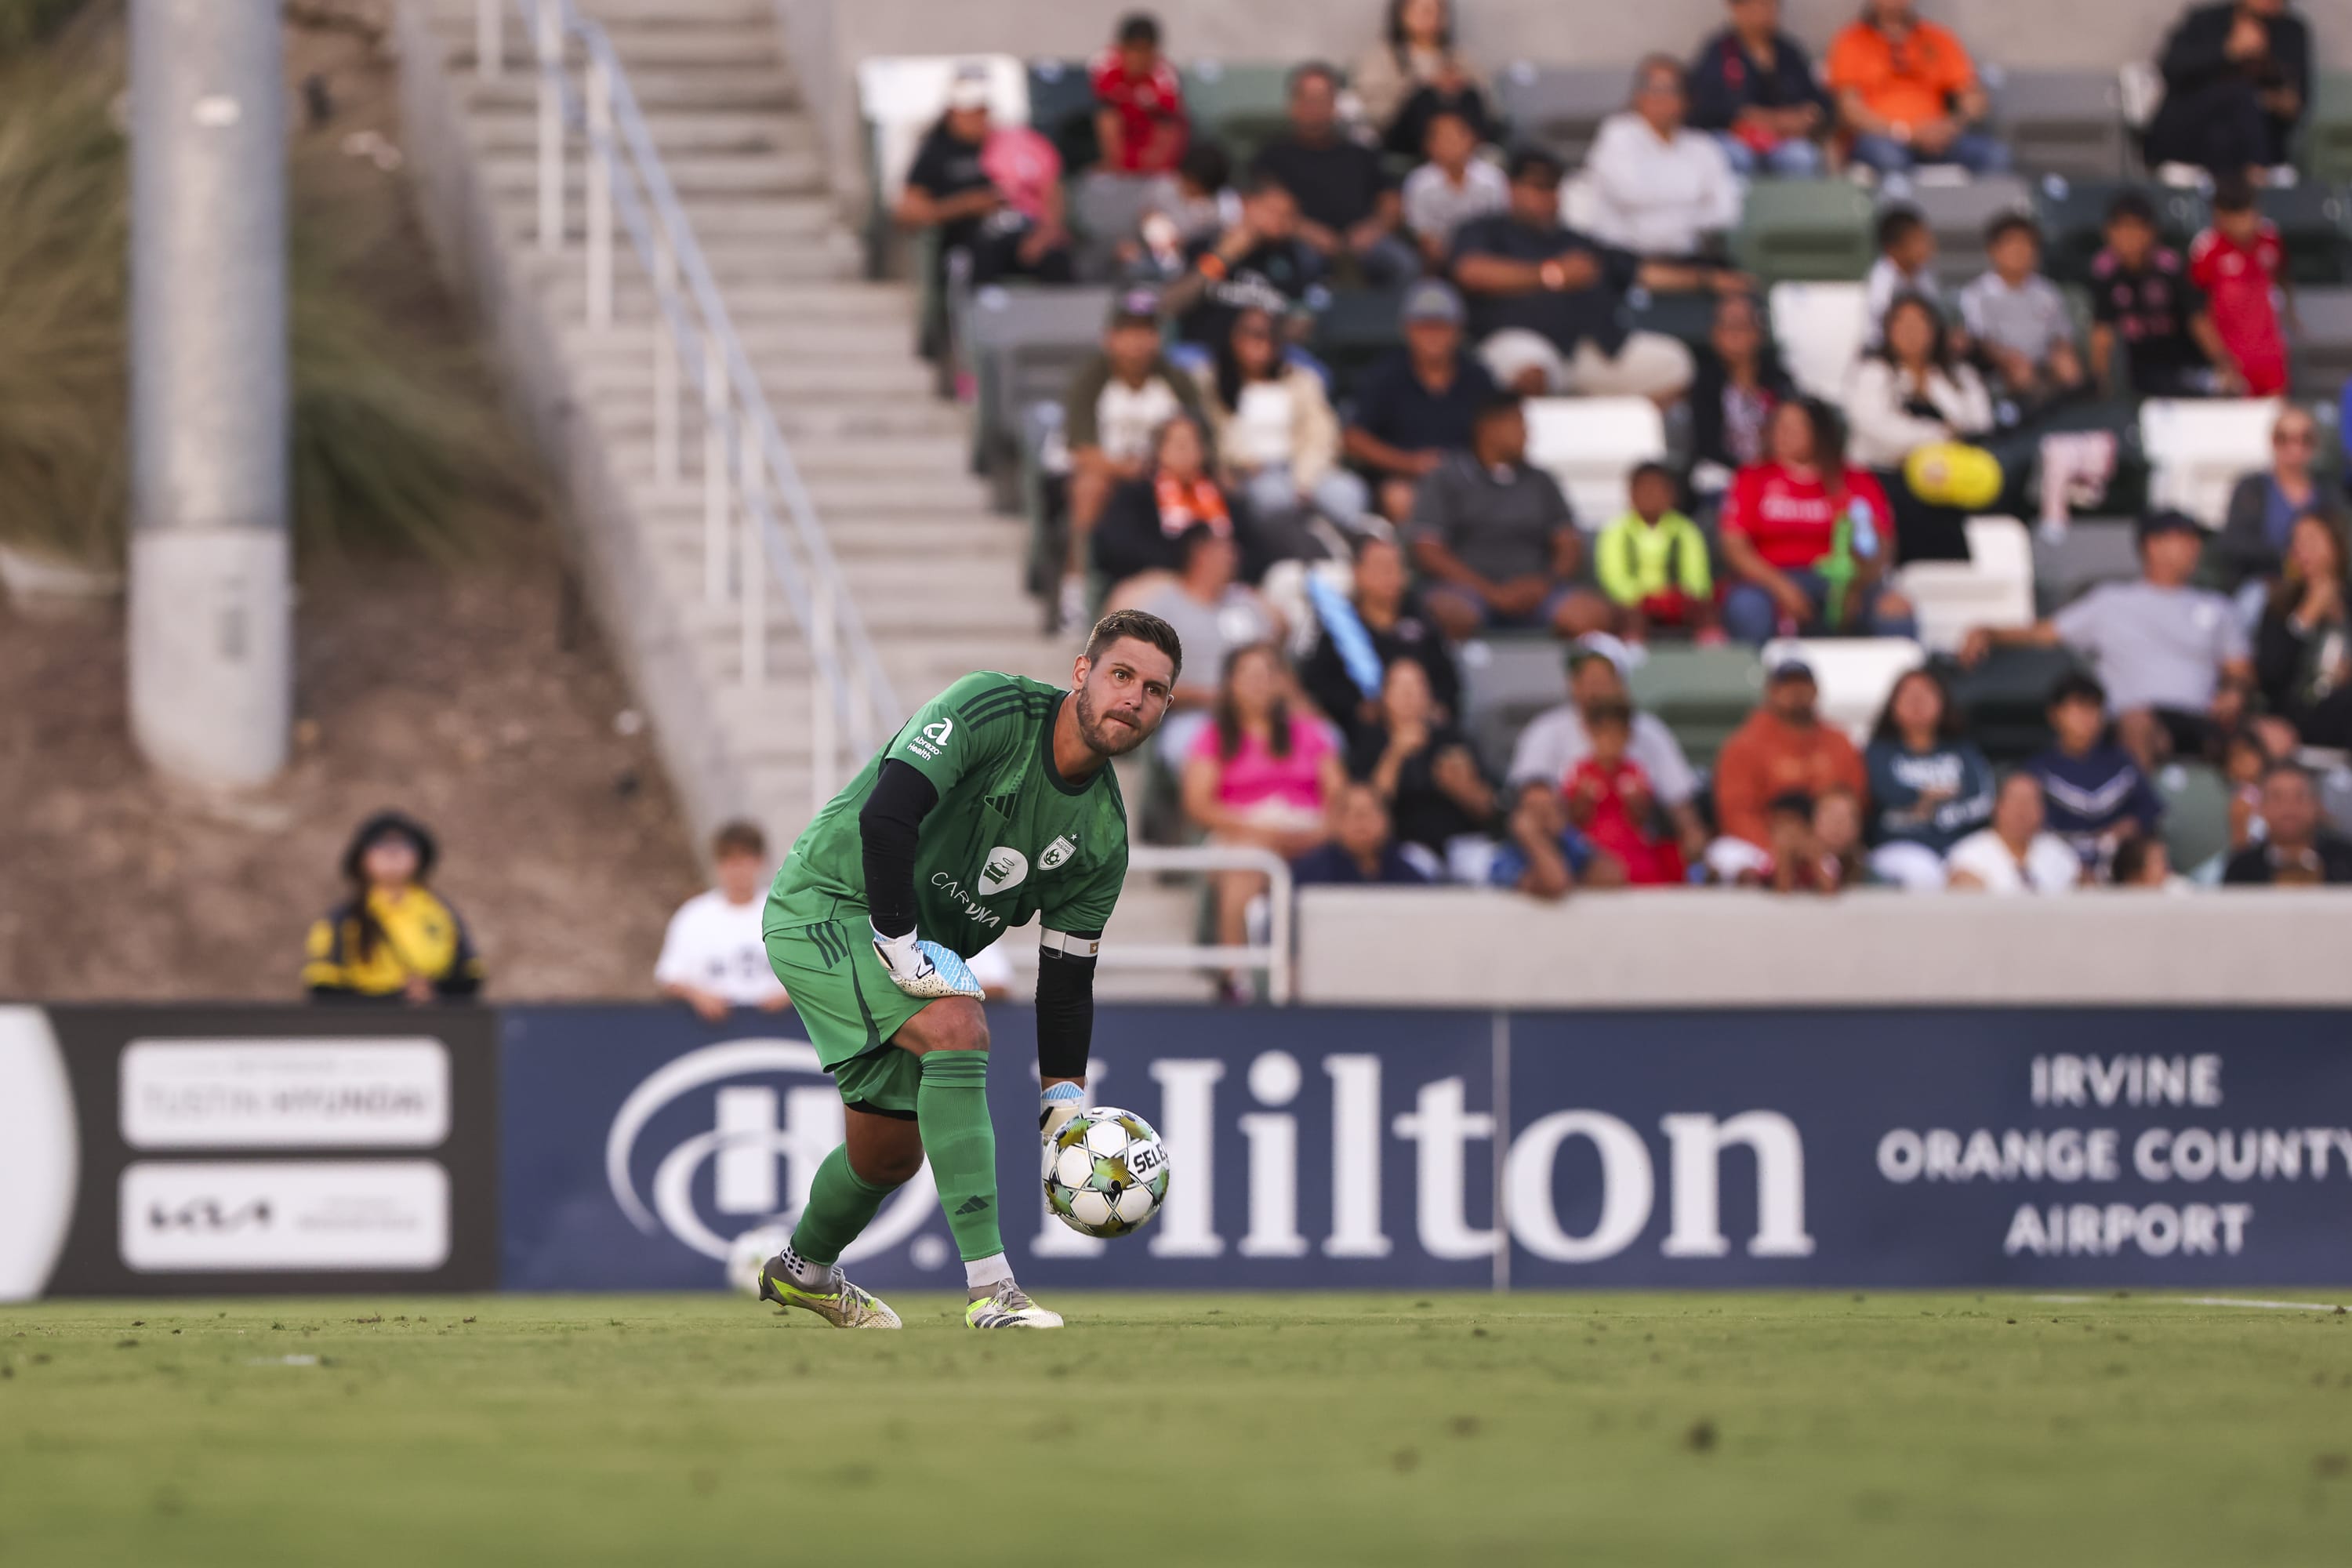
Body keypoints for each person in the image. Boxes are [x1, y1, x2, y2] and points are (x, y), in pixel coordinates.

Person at [754, 610, 1184, 1332]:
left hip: (909, 942)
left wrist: (1064, 1104)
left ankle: (803, 1272)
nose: (1134, 698)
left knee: (887, 1157)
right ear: (1082, 672)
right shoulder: (993, 708)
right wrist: (898, 942)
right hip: (829, 905)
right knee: (958, 1025)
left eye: (1155, 690)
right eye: (1121, 675)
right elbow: (887, 816)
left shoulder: (1104, 835)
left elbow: (1067, 978)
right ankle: (993, 1290)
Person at [1964, 510, 2253, 768]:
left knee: (2274, 735)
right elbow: (2047, 633)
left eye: (2195, 540)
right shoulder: (2112, 602)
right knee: (2137, 725)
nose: (2195, 548)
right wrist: (1991, 633)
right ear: (2153, 546)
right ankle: (2144, 818)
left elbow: (2239, 669)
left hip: (2204, 719)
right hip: (2135, 719)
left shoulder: (2218, 607)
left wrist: (2234, 692)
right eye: (2184, 539)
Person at [1450, 146, 1715, 401]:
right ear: (1512, 188)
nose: (1546, 196)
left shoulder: (1575, 241)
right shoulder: (1486, 230)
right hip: (1517, 340)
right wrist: (1551, 274)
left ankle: (1614, 436)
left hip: (1588, 347)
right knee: (1531, 370)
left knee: (1673, 364)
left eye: (1553, 187)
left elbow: (1639, 272)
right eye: (1537, 187)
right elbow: (1471, 272)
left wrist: (1708, 279)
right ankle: (1534, 446)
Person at [1181, 643, 1345, 999]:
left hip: (1308, 830)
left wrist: (1320, 831)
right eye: (1250, 674)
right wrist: (1260, 832)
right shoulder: (1212, 737)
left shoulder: (1310, 732)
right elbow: (1199, 804)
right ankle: (1235, 978)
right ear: (1230, 684)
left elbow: (1339, 796)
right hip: (1240, 830)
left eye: (1269, 673)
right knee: (1248, 862)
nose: (1261, 682)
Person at [1407, 392, 1606, 641]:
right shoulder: (1446, 478)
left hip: (1538, 593)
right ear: (1487, 428)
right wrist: (1490, 591)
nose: (1527, 433)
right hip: (1467, 591)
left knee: (1590, 615)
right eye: (1518, 423)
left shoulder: (1541, 481)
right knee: (1447, 613)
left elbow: (1569, 544)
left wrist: (1544, 583)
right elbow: (1428, 549)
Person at [1062, 291, 1212, 618]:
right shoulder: (1091, 380)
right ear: (1110, 338)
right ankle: (1077, 584)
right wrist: (1124, 469)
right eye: (1129, 332)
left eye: (1146, 332)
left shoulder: (1177, 381)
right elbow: (1080, 448)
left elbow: (1200, 434)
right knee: (1088, 486)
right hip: (1113, 475)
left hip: (1169, 473)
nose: (1138, 342)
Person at [1719, 398, 1916, 643]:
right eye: (1779, 425)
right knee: (1746, 607)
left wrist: (1855, 586)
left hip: (1845, 578)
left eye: (1796, 427)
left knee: (1894, 607)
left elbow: (1881, 545)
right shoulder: (1752, 478)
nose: (1784, 434)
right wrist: (1781, 588)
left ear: (1820, 432)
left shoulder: (1856, 480)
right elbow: (1735, 547)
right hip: (1771, 579)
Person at [1508, 637, 1711, 869]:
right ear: (1573, 683)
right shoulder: (1545, 730)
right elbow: (1535, 802)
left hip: (1638, 849)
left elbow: (1681, 806)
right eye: (1584, 678)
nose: (1593, 688)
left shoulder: (1650, 733)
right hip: (1571, 854)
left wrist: (1688, 837)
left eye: (1601, 679)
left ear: (1620, 683)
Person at [1195, 305, 1369, 544]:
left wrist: (1304, 481)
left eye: (1267, 334)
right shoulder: (1209, 382)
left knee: (1347, 491)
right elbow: (1211, 435)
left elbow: (1321, 435)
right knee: (1272, 496)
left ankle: (1346, 551)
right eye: (1250, 333)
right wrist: (1237, 465)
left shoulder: (1304, 380)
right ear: (1233, 337)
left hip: (1302, 469)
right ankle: (1300, 552)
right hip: (1248, 474)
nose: (1259, 341)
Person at [1106, 523, 1277, 765]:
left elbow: (1275, 663)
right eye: (1226, 548)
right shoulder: (1163, 610)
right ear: (1200, 553)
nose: (1235, 554)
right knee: (1197, 748)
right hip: (1194, 715)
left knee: (1322, 738)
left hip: (1263, 714)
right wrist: (1216, 696)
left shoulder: (1246, 603)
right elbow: (1143, 682)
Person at [897, 66, 1073, 288]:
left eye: (983, 110)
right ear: (952, 112)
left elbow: (1050, 187)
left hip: (1022, 233)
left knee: (1055, 259)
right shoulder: (936, 152)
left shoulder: (1009, 142)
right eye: (971, 111)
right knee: (979, 262)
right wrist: (966, 206)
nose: (979, 118)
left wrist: (1045, 233)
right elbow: (907, 212)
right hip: (972, 243)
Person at [1344, 279, 1498, 525]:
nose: (1433, 335)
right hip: (1403, 479)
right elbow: (1354, 439)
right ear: (1407, 329)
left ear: (1458, 330)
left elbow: (1497, 432)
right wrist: (1409, 463)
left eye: (1442, 326)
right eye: (1424, 326)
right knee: (1400, 498)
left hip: (1468, 478)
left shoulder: (1477, 378)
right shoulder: (1385, 375)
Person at [1250, 63, 1415, 286]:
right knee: (1298, 264)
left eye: (1323, 100)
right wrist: (1306, 231)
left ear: (1335, 105)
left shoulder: (1361, 153)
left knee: (1405, 264)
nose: (1315, 109)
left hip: (1366, 241)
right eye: (1308, 100)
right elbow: (1263, 206)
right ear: (1293, 105)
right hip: (1301, 241)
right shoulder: (1273, 156)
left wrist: (1373, 229)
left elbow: (1392, 201)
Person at [1707, 659, 1868, 881]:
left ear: (1816, 690)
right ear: (1771, 691)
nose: (1797, 692)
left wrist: (1818, 843)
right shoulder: (1744, 744)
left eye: (1803, 685)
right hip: (1761, 845)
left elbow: (1854, 803)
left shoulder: (1839, 742)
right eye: (1788, 685)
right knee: (1728, 858)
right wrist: (1777, 847)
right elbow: (1736, 812)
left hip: (1827, 846)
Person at [303, 811, 485, 1004]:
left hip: (431, 1025)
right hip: (366, 1026)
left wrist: (435, 992)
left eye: (404, 846)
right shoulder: (343, 918)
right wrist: (390, 1000)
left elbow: (470, 976)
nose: (393, 854)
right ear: (362, 858)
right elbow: (322, 986)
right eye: (380, 846)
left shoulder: (440, 913)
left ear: (420, 857)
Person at [1299, 534, 1461, 747]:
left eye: (1395, 566)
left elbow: (1448, 682)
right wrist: (1357, 708)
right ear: (1357, 573)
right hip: (1359, 741)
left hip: (1425, 736)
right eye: (1380, 567)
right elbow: (1320, 687)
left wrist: (1436, 706)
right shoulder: (1339, 629)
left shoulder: (1423, 623)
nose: (1389, 574)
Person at [1582, 56, 1744, 264]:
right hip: (1624, 259)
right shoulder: (1617, 134)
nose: (1663, 99)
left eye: (1672, 90)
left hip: (1688, 258)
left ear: (1687, 100)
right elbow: (1630, 193)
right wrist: (1692, 205)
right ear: (1638, 96)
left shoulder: (1703, 146)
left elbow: (1726, 210)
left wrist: (1660, 205)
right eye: (1655, 89)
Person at [1825, 0, 2010, 180]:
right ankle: (1906, 212)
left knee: (1995, 154)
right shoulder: (1851, 41)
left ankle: (1973, 211)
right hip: (1882, 137)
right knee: (1889, 158)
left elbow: (1973, 98)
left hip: (1938, 137)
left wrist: (1950, 126)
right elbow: (1848, 110)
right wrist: (1906, 133)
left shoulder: (1938, 38)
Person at [1348, 656, 1496, 872]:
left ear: (1429, 696)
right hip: (1404, 845)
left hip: (1461, 842)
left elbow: (1490, 809)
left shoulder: (1453, 739)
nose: (1409, 695)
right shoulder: (1371, 743)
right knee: (1416, 867)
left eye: (1417, 686)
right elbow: (1369, 806)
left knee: (1486, 865)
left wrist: (1465, 789)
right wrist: (1395, 755)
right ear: (1385, 697)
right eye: (1400, 687)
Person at [2089, 191, 2241, 399]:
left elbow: (2198, 321)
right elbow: (2102, 335)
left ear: (2151, 232)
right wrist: (2099, 383)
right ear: (2109, 232)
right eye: (2122, 228)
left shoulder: (2171, 268)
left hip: (2185, 364)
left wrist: (2223, 363)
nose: (2129, 238)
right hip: (2140, 373)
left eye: (2136, 228)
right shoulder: (2105, 273)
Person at [2144, 0, 2313, 180]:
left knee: (2237, 112)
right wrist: (2229, 50)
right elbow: (2172, 67)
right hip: (2194, 131)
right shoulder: (2207, 21)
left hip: (2251, 137)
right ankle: (2252, 183)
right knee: (2236, 95)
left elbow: (2297, 101)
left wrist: (2263, 95)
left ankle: (2246, 189)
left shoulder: (2291, 32)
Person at [1861, 667, 1994, 889]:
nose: (1917, 702)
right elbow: (1883, 793)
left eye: (1926, 694)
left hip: (1960, 846)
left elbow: (1981, 798)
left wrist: (1937, 811)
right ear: (1893, 705)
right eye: (1908, 695)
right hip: (1898, 846)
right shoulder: (1877, 753)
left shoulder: (1963, 751)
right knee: (1922, 873)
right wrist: (1924, 796)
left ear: (1942, 702)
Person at [2026, 672, 2165, 873]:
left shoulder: (2121, 763)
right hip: (2058, 873)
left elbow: (2150, 810)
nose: (2086, 718)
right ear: (2054, 714)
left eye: (2093, 709)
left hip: (2118, 870)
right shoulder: (2038, 771)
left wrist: (2129, 826)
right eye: (2078, 709)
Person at [655, 821, 791, 1022]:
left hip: (780, 1026)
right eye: (729, 860)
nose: (737, 870)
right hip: (712, 1028)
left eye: (745, 859)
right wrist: (697, 996)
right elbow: (669, 975)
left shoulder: (786, 914)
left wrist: (789, 995)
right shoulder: (693, 915)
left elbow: (816, 972)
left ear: (760, 861)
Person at [1167, 172, 1323, 348]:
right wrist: (1221, 258)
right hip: (1202, 355)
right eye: (1272, 212)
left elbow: (1300, 322)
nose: (1280, 222)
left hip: (1264, 358)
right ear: (1247, 205)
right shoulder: (1206, 244)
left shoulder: (1296, 260)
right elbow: (1170, 306)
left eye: (1288, 216)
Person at [1846, 293, 1994, 471]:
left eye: (1919, 323)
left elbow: (1980, 423)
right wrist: (1939, 435)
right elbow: (1875, 426)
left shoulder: (1960, 374)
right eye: (1902, 324)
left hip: (1951, 474)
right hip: (1884, 470)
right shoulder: (1872, 372)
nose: (1911, 332)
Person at [1091, 415, 1238, 591]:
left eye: (1191, 442)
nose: (1184, 450)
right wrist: (1183, 566)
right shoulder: (1136, 495)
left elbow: (1252, 550)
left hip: (1222, 588)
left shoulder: (1224, 497)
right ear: (1159, 450)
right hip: (1157, 583)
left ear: (1203, 450)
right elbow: (1116, 546)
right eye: (1176, 443)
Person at [1686, 0, 1831, 177]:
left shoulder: (1788, 52)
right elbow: (1703, 107)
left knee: (1801, 157)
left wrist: (1808, 116)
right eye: (1756, 4)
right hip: (1734, 139)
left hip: (1782, 141)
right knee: (1736, 157)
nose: (1764, 12)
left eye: (1770, 5)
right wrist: (1751, 117)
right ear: (1737, 9)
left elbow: (1819, 102)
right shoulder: (1719, 51)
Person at [1079, 12, 1189, 241]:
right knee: (1098, 188)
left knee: (1164, 197)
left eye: (1146, 51)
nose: (1139, 58)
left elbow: (1168, 133)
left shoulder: (1165, 77)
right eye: (1133, 50)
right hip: (1117, 165)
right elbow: (1106, 120)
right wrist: (1119, 167)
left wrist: (1146, 171)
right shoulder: (1105, 67)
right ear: (1121, 48)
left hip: (1153, 169)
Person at [1956, 214, 2085, 405]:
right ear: (1994, 251)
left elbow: (2062, 336)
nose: (2020, 251)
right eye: (2012, 244)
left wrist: (2060, 355)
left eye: (2027, 244)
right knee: (2020, 371)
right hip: (2001, 366)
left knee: (2068, 366)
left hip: (2044, 362)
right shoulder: (1977, 294)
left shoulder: (2047, 291)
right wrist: (2010, 360)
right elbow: (1982, 342)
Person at [2219, 405, 2347, 595]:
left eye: (2305, 439)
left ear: (2315, 444)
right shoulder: (2252, 489)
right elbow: (2235, 544)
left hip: (2320, 585)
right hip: (2265, 585)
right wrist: (2288, 562)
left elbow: (2342, 540)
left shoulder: (2329, 491)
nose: (2295, 447)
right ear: (2272, 441)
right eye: (2284, 438)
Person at [2254, 511, 2352, 750]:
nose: (2302, 549)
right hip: (2293, 716)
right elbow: (2271, 674)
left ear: (2337, 544)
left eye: (2312, 539)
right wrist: (2305, 617)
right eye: (2296, 541)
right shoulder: (2279, 603)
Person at [1565, 699, 1688, 884]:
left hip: (1631, 848)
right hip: (1593, 849)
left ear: (1628, 736)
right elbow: (1573, 819)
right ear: (1590, 734)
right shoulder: (1580, 772)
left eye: (1617, 736)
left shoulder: (1635, 772)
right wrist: (1582, 799)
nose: (1610, 743)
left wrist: (1637, 801)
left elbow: (1644, 821)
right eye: (1604, 735)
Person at [1593, 461, 1719, 642]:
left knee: (1707, 613)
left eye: (1657, 489)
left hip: (1678, 601)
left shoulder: (1686, 530)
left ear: (1671, 495)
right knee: (1630, 618)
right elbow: (1614, 578)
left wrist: (1676, 597)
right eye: (1643, 489)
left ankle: (1710, 662)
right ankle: (1634, 661)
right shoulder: (1615, 531)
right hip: (1634, 605)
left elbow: (1698, 578)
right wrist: (1647, 599)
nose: (1650, 495)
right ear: (1630, 494)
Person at [2189, 174, 2288, 400]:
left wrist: (2291, 315)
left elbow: (2283, 276)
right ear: (2219, 216)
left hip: (2272, 356)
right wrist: (2221, 360)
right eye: (2236, 216)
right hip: (2234, 359)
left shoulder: (2270, 239)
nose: (2244, 222)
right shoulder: (2206, 251)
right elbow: (2197, 314)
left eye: (2248, 213)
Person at [1352, 0, 1495, 157]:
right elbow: (1374, 108)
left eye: (1437, 12)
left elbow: (1485, 98)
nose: (1431, 18)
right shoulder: (1383, 56)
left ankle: (1468, 152)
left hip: (1457, 131)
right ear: (1402, 14)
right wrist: (1423, 87)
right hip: (1404, 134)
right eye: (1423, 11)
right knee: (1426, 98)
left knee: (1469, 94)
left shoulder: (1458, 57)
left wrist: (1456, 86)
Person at [1686, 293, 1796, 485]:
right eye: (1727, 327)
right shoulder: (1705, 384)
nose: (1735, 335)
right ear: (1715, 335)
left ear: (1758, 333)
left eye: (1742, 326)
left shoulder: (1780, 382)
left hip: (1775, 472)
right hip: (1724, 474)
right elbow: (1707, 445)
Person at [1399, 109, 1508, 271]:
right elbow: (1422, 234)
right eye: (1441, 138)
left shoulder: (1493, 179)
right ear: (1429, 145)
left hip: (1487, 258)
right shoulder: (1418, 183)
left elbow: (1502, 224)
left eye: (1455, 136)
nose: (1450, 144)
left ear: (1472, 140)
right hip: (1439, 262)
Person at [1944, 772, 2082, 894]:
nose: (2022, 811)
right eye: (2015, 801)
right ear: (1997, 806)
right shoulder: (1968, 855)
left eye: (2031, 801)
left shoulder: (2060, 853)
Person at [1489, 780, 1623, 898]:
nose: (1544, 817)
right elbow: (1554, 884)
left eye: (1551, 808)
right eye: (1535, 810)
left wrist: (1567, 832)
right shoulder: (1506, 859)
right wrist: (1532, 837)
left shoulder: (1567, 844)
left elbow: (1613, 876)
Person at [2222, 762, 2352, 884]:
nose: (2289, 807)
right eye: (2277, 797)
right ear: (2261, 807)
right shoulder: (2241, 869)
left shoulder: (2347, 859)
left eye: (2299, 796)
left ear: (2317, 804)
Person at [1289, 781, 1434, 886]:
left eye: (1370, 811)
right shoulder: (1310, 873)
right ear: (1334, 822)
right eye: (1349, 812)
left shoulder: (1408, 875)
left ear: (1388, 820)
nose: (1361, 820)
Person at [1863, 207, 1940, 337]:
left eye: (1926, 238)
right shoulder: (1881, 281)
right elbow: (1878, 332)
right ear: (1893, 249)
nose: (1928, 245)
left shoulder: (1924, 275)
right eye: (1918, 240)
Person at [2110, 835, 2179, 890]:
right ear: (2133, 874)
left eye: (2164, 860)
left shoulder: (2176, 890)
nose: (2165, 866)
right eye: (2156, 861)